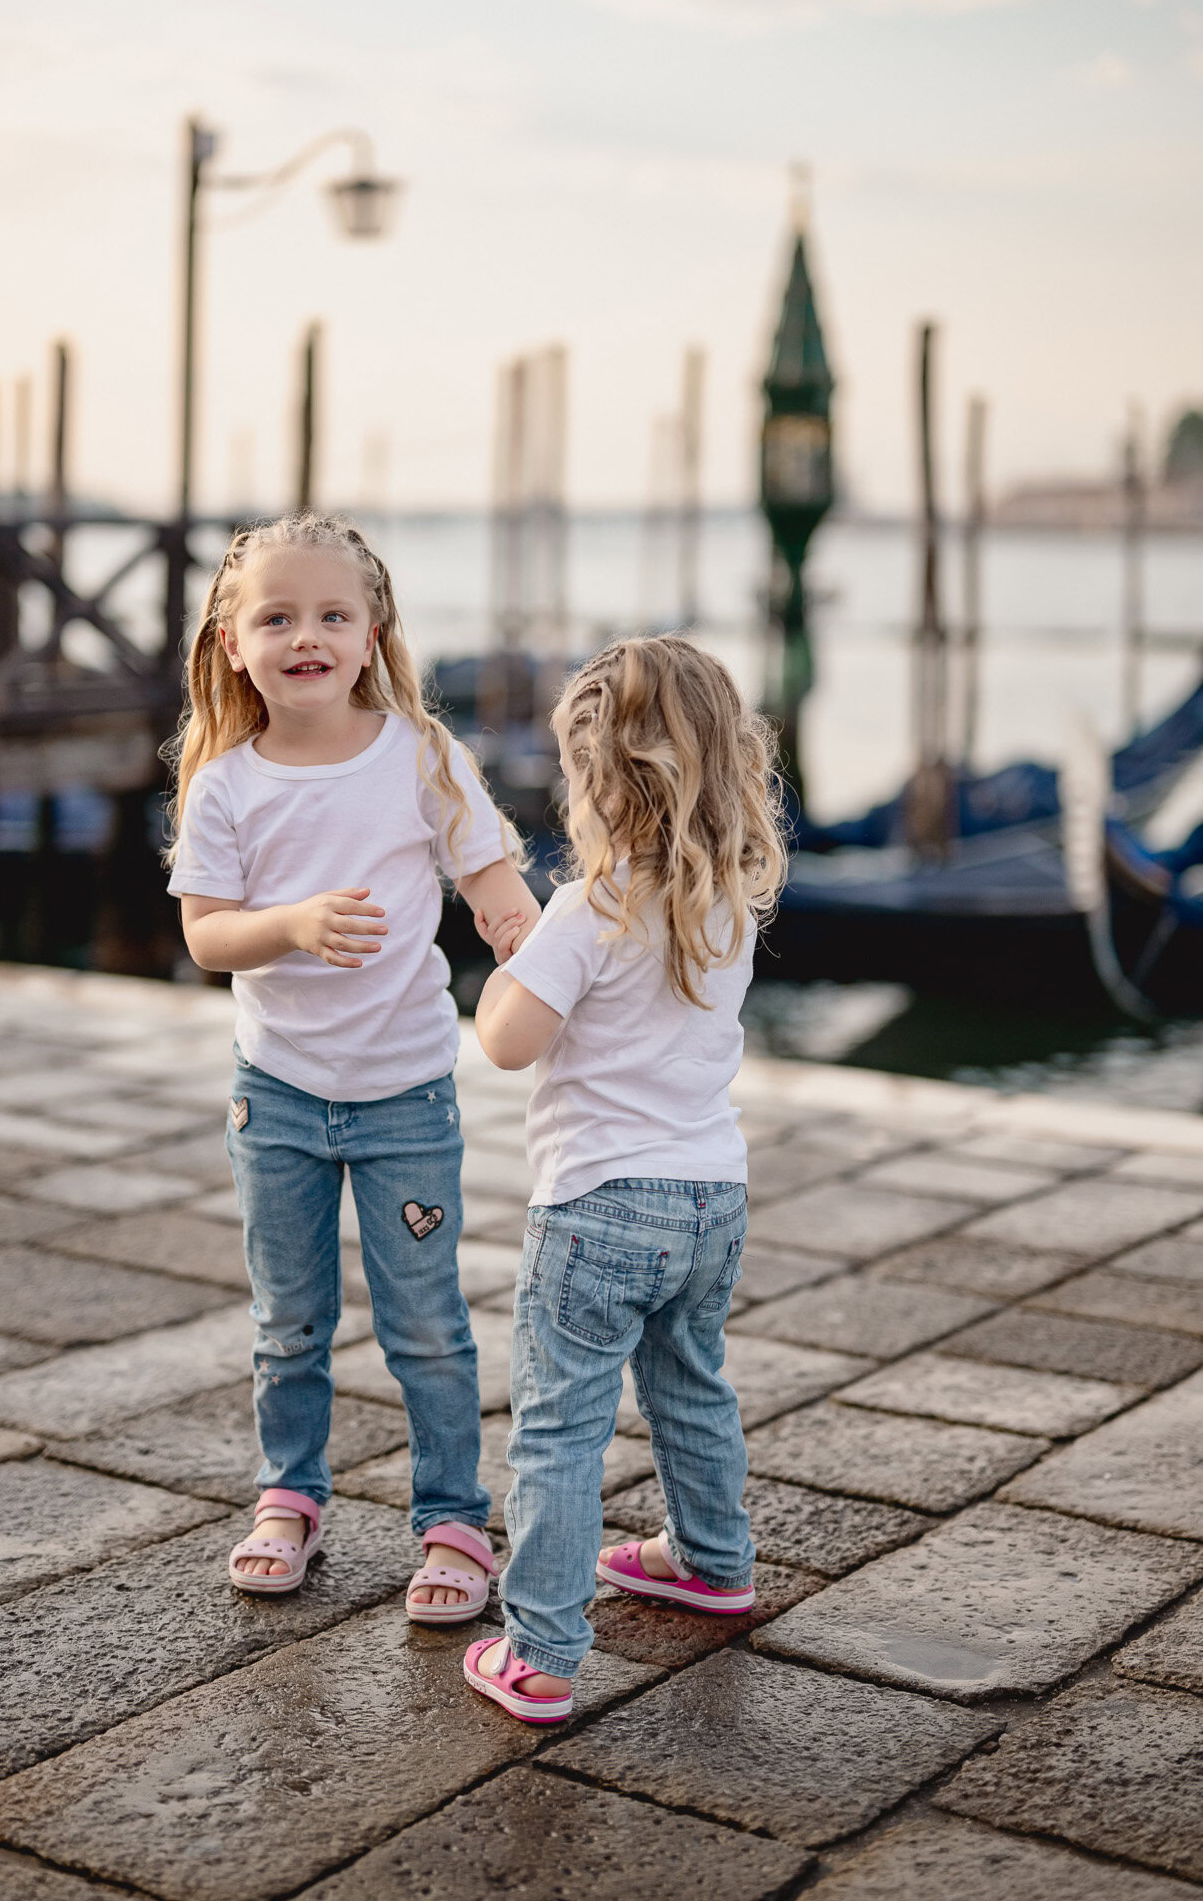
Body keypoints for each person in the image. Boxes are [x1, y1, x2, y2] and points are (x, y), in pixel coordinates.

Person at [166, 511, 539, 1615]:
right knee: (289, 1319)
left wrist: (542, 944)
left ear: (372, 633)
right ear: (233, 642)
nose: (306, 635)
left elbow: (497, 889)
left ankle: (453, 1520)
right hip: (274, 1093)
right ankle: (289, 1493)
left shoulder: (423, 755)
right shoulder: (226, 782)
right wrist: (288, 925)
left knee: (425, 1320)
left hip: (405, 1094)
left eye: (332, 613)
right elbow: (204, 934)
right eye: (276, 617)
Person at [461, 635, 787, 1724]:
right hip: (709, 1200)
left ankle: (542, 1651)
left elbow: (507, 1041)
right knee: (692, 1382)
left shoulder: (585, 909)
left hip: (598, 1204)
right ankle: (714, 1557)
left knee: (558, 1428)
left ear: (597, 780)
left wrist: (510, 958)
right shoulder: (728, 903)